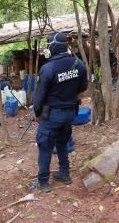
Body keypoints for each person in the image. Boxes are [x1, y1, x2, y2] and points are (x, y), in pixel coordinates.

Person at [33, 32, 88, 192]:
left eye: (49, 44)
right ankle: (65, 174)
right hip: (70, 113)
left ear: (54, 47)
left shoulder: (48, 68)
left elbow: (40, 95)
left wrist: (37, 113)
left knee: (45, 145)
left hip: (52, 115)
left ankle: (43, 182)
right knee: (63, 142)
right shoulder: (79, 65)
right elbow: (83, 87)